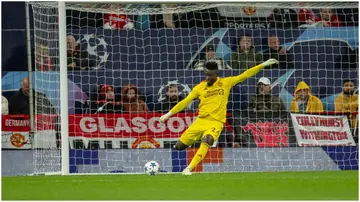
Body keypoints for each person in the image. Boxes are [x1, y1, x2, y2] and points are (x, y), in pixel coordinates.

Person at [159, 58, 279, 175]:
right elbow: (184, 102)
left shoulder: (226, 82)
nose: (207, 78)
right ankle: (193, 143)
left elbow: (245, 75)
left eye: (210, 75)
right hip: (200, 121)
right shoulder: (199, 87)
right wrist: (168, 115)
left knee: (208, 139)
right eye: (206, 75)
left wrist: (262, 65)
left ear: (216, 73)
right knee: (179, 147)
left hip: (216, 122)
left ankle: (189, 169)